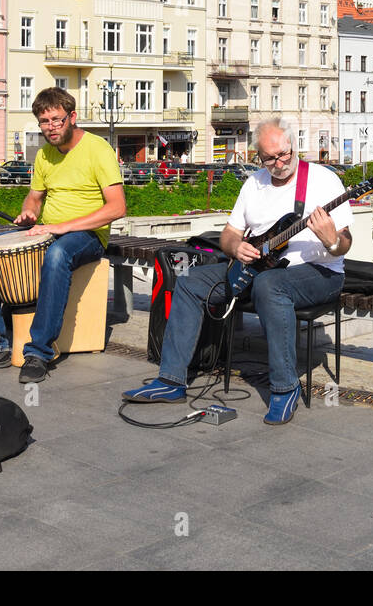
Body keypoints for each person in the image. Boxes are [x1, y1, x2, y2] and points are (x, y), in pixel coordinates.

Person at [123, 118, 352, 425]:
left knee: (270, 286)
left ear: (293, 146)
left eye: (284, 154)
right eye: (270, 158)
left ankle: (285, 388)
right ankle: (172, 380)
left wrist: (332, 240)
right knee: (189, 281)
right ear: (258, 156)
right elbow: (229, 234)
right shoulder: (254, 183)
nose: (279, 163)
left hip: (319, 272)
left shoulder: (323, 181)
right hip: (258, 268)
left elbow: (345, 243)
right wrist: (235, 248)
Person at [0, 88, 126, 383]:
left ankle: (39, 351)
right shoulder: (43, 154)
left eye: (56, 119)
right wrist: (28, 213)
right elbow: (34, 198)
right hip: (47, 230)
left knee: (57, 255)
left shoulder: (98, 149)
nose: (51, 127)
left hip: (88, 236)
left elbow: (117, 207)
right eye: (44, 121)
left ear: (72, 117)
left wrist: (63, 227)